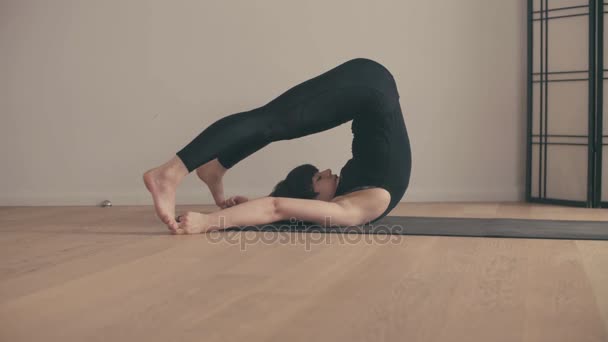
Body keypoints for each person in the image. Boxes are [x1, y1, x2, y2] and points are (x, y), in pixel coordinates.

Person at [143, 57, 412, 234]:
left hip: (371, 88)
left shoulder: (348, 204)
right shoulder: (355, 208)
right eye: (320, 177)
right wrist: (208, 223)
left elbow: (278, 208)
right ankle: (176, 172)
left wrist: (210, 221)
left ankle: (183, 172)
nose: (328, 172)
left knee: (272, 123)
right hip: (370, 89)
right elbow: (279, 207)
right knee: (270, 122)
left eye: (318, 177)